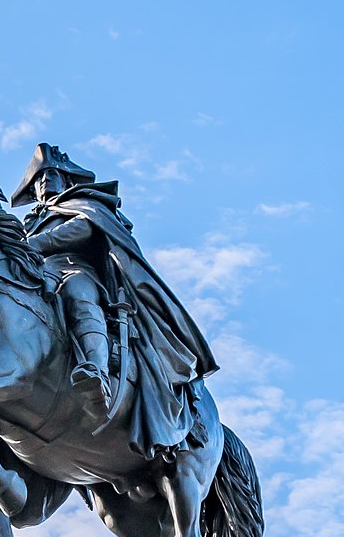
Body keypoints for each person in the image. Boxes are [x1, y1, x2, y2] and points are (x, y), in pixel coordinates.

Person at [12, 143, 219, 453]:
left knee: (77, 293)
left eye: (49, 175)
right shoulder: (29, 222)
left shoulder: (84, 203)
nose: (43, 183)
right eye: (37, 179)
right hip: (34, 277)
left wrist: (32, 244)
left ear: (65, 178)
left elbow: (82, 230)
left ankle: (95, 371)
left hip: (74, 271)